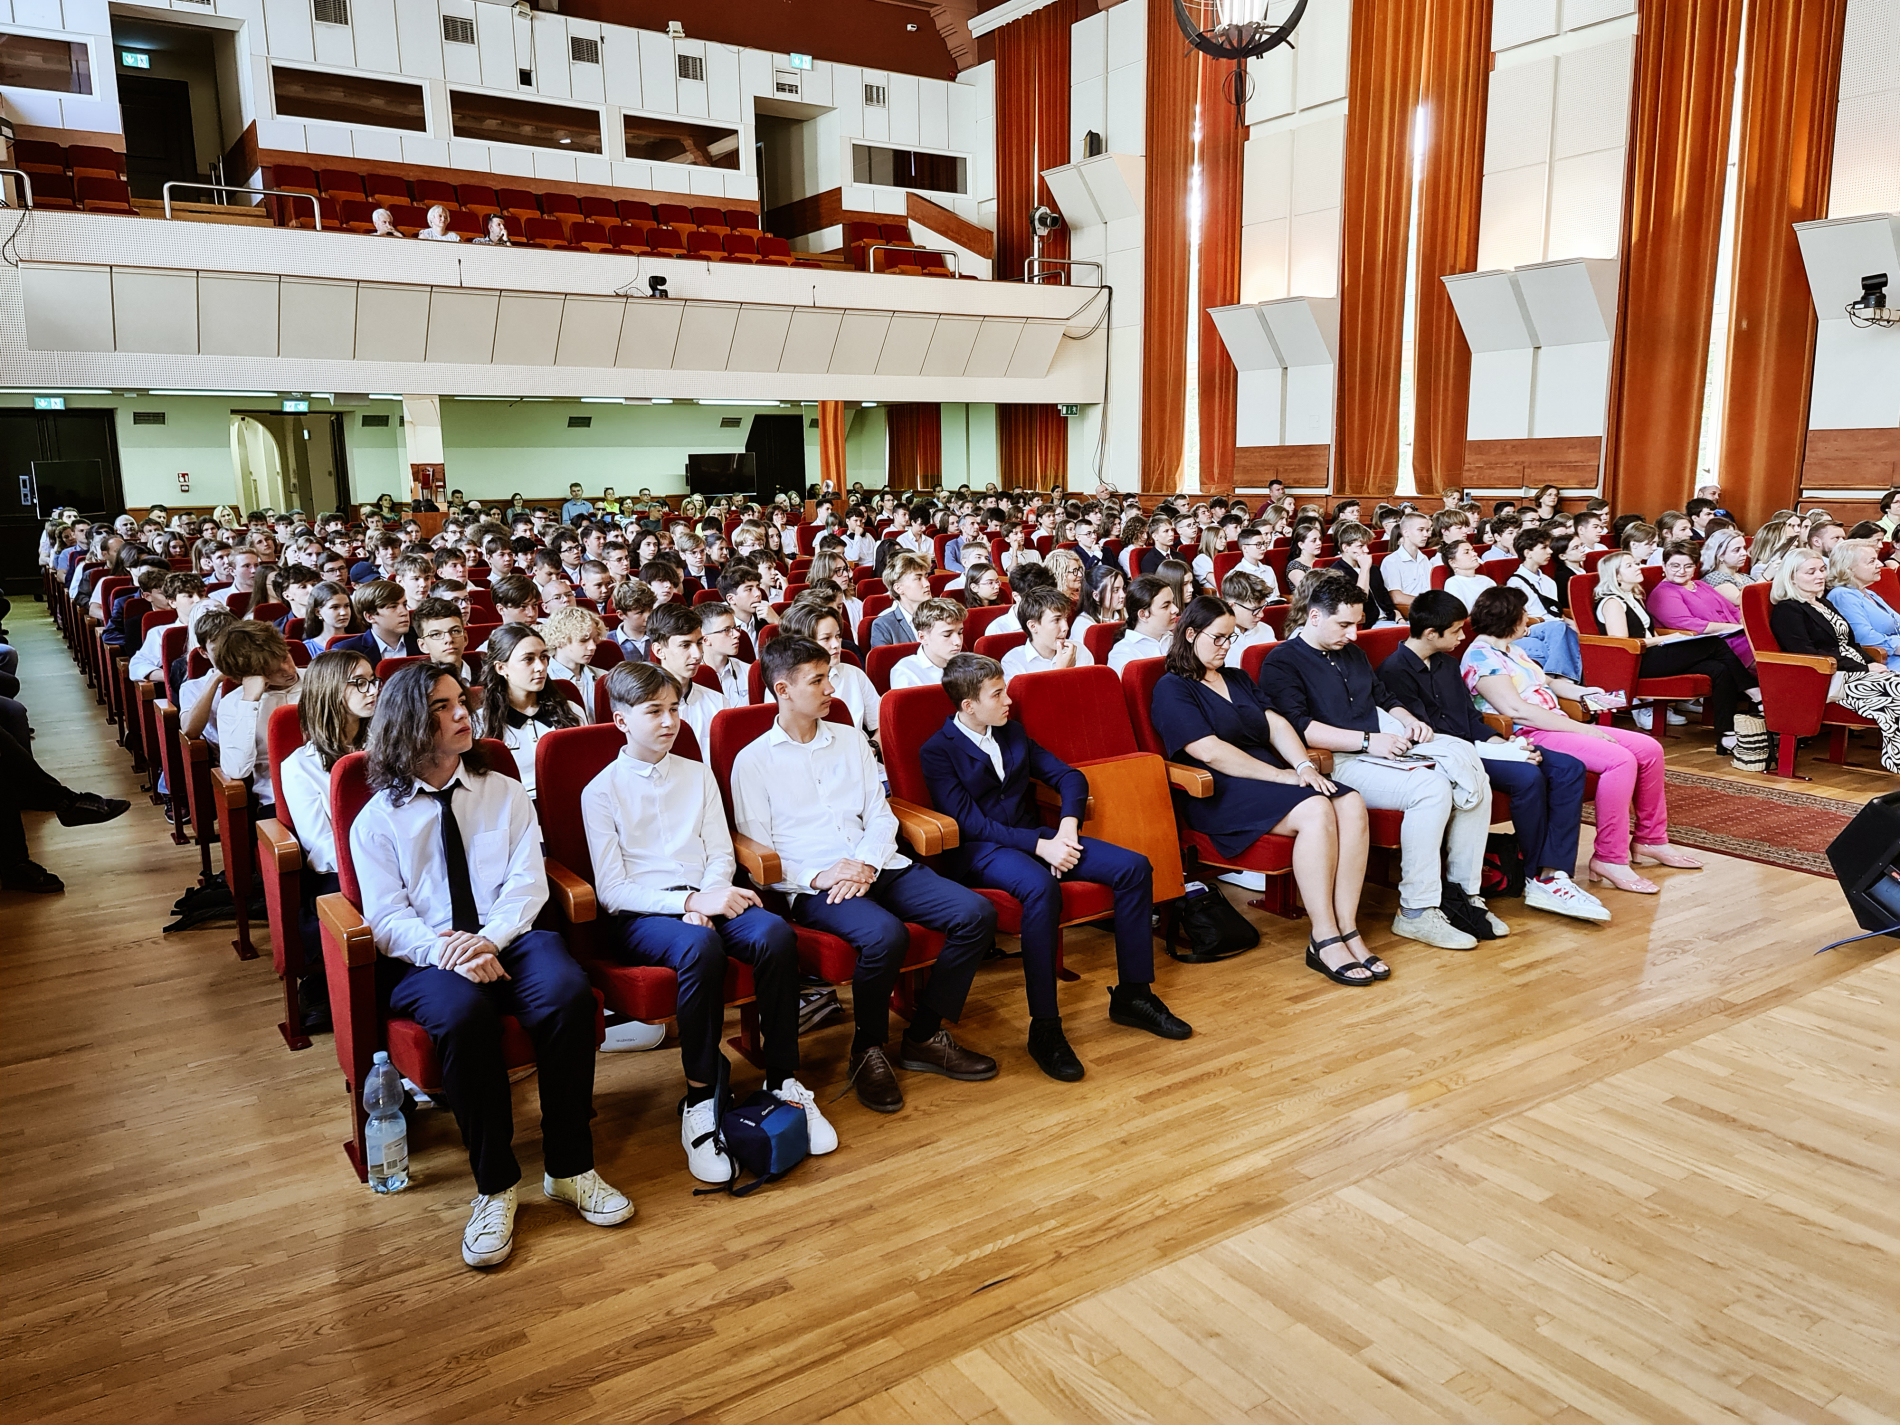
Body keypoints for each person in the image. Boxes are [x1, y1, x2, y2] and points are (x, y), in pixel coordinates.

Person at [351, 663, 632, 1267]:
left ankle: (570, 1167)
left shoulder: (500, 790)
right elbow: (388, 919)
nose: (463, 715)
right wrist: (447, 950)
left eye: (461, 701)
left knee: (566, 995)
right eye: (443, 708)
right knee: (462, 1018)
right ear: (407, 725)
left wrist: (491, 941)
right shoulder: (378, 818)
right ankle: (495, 1185)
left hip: (510, 935)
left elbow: (527, 883)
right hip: (429, 953)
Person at [583, 659, 836, 1180]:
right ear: (622, 721)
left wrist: (711, 892)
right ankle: (700, 1097)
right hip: (646, 911)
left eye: (674, 709)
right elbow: (612, 891)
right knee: (699, 948)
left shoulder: (697, 774)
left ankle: (781, 1079)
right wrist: (687, 905)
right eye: (653, 711)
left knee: (772, 933)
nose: (669, 721)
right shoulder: (601, 790)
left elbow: (720, 850)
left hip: (708, 894)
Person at [732, 636, 1000, 1115]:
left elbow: (880, 814)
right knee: (884, 936)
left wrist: (868, 862)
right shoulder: (752, 761)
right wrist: (821, 875)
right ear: (783, 689)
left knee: (975, 912)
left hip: (878, 863)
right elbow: (760, 854)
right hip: (815, 883)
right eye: (817, 680)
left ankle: (922, 1035)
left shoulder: (851, 739)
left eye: (830, 676)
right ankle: (867, 1050)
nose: (831, 687)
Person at [919, 653, 1189, 1078]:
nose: (1009, 699)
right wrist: (1041, 845)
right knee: (1041, 890)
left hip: (1040, 839)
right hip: (982, 852)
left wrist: (1066, 828)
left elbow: (1069, 778)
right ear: (968, 706)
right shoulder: (937, 750)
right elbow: (970, 823)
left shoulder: (1012, 732)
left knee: (1134, 867)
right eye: (998, 693)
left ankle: (1134, 995)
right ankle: (1045, 1027)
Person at [1149, 597, 1381, 984]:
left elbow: (1275, 725)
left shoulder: (1237, 678)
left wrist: (1303, 766)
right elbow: (1209, 751)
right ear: (1190, 635)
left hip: (1267, 775)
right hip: (1218, 790)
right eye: (1218, 638)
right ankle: (1323, 938)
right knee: (1316, 810)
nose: (1226, 646)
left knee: (1351, 802)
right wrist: (1283, 777)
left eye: (1231, 637)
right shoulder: (1172, 688)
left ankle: (1347, 927)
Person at [1257, 576, 1494, 951]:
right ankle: (1416, 910)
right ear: (1314, 616)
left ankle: (1463, 893)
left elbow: (1382, 697)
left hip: (1380, 746)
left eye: (1357, 624)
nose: (1353, 635)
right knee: (1431, 788)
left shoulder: (1351, 652)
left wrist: (1407, 718)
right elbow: (1298, 727)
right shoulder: (1282, 661)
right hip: (1336, 761)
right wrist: (1370, 741)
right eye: (1344, 625)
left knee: (1473, 772)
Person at [1379, 592, 1606, 922]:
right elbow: (1429, 735)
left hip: (1479, 745)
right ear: (1432, 633)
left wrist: (1505, 744)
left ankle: (1553, 871)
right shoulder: (1395, 670)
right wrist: (1495, 751)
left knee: (1568, 768)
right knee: (1528, 776)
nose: (1462, 637)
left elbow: (1471, 717)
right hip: (1450, 756)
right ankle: (1534, 874)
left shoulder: (1444, 662)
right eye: (1457, 631)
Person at [1462, 586, 1696, 894]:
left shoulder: (1511, 649)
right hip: (1529, 732)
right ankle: (1610, 857)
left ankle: (1651, 839)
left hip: (1556, 722)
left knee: (1649, 749)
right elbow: (1516, 710)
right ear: (1509, 619)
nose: (1528, 620)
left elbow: (1548, 683)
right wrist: (1582, 729)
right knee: (1620, 760)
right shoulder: (1481, 656)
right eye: (1523, 614)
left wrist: (1586, 693)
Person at [277, 649, 380, 1030]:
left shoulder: (389, 746)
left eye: (374, 680)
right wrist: (381, 863)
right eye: (360, 683)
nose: (373, 691)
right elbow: (321, 849)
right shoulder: (300, 765)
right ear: (332, 692)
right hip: (346, 871)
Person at [1594, 552, 1759, 741]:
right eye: (1630, 566)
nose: (1638, 567)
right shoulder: (1612, 602)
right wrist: (1667, 638)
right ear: (1616, 575)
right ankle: (1753, 691)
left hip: (1651, 653)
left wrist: (1666, 639)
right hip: (1636, 662)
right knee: (1714, 643)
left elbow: (1647, 632)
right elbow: (1622, 643)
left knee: (1719, 668)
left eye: (1635, 563)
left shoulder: (1633, 596)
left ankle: (1726, 732)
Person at [1771, 552, 1900, 773]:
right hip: (1827, 677)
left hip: (1855, 671)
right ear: (1791, 577)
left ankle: (1894, 756)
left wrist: (1871, 663)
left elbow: (1851, 643)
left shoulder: (1823, 603)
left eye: (1822, 569)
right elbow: (1807, 653)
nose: (1820, 576)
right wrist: (1864, 667)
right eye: (1811, 572)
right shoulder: (1788, 609)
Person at [473, 624, 583, 800]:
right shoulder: (479, 723)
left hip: (569, 803)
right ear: (501, 668)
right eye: (528, 659)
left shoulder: (571, 710)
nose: (540, 667)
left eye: (544, 657)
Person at [214, 621, 301, 812]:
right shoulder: (233, 704)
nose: (288, 670)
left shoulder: (321, 680)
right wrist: (250, 701)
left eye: (285, 658)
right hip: (276, 796)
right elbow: (237, 769)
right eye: (273, 670)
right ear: (250, 675)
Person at [774, 600, 880, 738]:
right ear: (803, 643)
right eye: (826, 638)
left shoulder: (853, 673)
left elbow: (881, 724)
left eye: (837, 636)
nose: (836, 644)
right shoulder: (786, 683)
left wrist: (873, 746)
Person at [1647, 544, 1755, 671]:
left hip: (1735, 633)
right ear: (1664, 566)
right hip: (1710, 641)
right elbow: (1690, 625)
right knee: (1760, 648)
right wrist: (1737, 628)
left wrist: (1744, 624)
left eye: (1688, 566)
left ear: (1695, 567)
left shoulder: (1700, 584)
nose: (1681, 571)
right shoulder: (1663, 593)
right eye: (1675, 566)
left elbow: (1732, 609)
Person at [1826, 539, 1900, 658]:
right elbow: (1863, 637)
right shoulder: (1842, 595)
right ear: (1849, 568)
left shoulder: (1869, 593)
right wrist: (1895, 645)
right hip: (1882, 660)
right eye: (1872, 561)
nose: (1880, 564)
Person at [1000, 587, 1093, 681]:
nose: (1066, 627)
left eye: (1065, 618)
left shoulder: (1080, 650)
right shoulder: (1013, 662)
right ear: (1033, 626)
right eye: (1056, 620)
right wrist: (1062, 672)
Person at [541, 606, 608, 712]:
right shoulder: (542, 680)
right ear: (559, 640)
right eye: (583, 640)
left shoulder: (604, 677)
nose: (593, 646)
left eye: (595, 640)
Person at [1108, 576, 1179, 674]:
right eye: (1166, 606)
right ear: (1143, 615)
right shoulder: (1123, 654)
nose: (1175, 609)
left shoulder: (1175, 640)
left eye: (1173, 602)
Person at [332, 581, 419, 663]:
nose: (404, 612)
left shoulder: (422, 638)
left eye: (404, 605)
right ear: (370, 617)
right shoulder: (347, 652)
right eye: (393, 606)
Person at [889, 598, 965, 689]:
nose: (958, 642)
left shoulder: (970, 665)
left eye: (960, 633)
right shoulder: (906, 672)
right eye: (947, 635)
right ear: (922, 637)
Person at [869, 552, 933, 648]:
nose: (927, 584)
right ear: (898, 588)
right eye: (918, 578)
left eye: (926, 577)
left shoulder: (941, 616)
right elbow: (884, 662)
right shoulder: (884, 625)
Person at [1219, 570, 1277, 668]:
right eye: (1254, 610)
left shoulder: (1266, 630)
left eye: (1263, 608)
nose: (1261, 615)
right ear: (1232, 606)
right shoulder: (1217, 639)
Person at [1381, 511, 1434, 615]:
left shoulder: (1424, 559)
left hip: (1429, 611)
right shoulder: (1392, 561)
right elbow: (1396, 597)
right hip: (1411, 612)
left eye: (1427, 530)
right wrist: (1428, 604)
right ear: (1405, 532)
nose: (1426, 535)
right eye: (1421, 530)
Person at [609, 579, 655, 662]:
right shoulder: (608, 641)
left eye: (650, 610)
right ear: (621, 615)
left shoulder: (660, 636)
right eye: (640, 612)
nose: (648, 617)